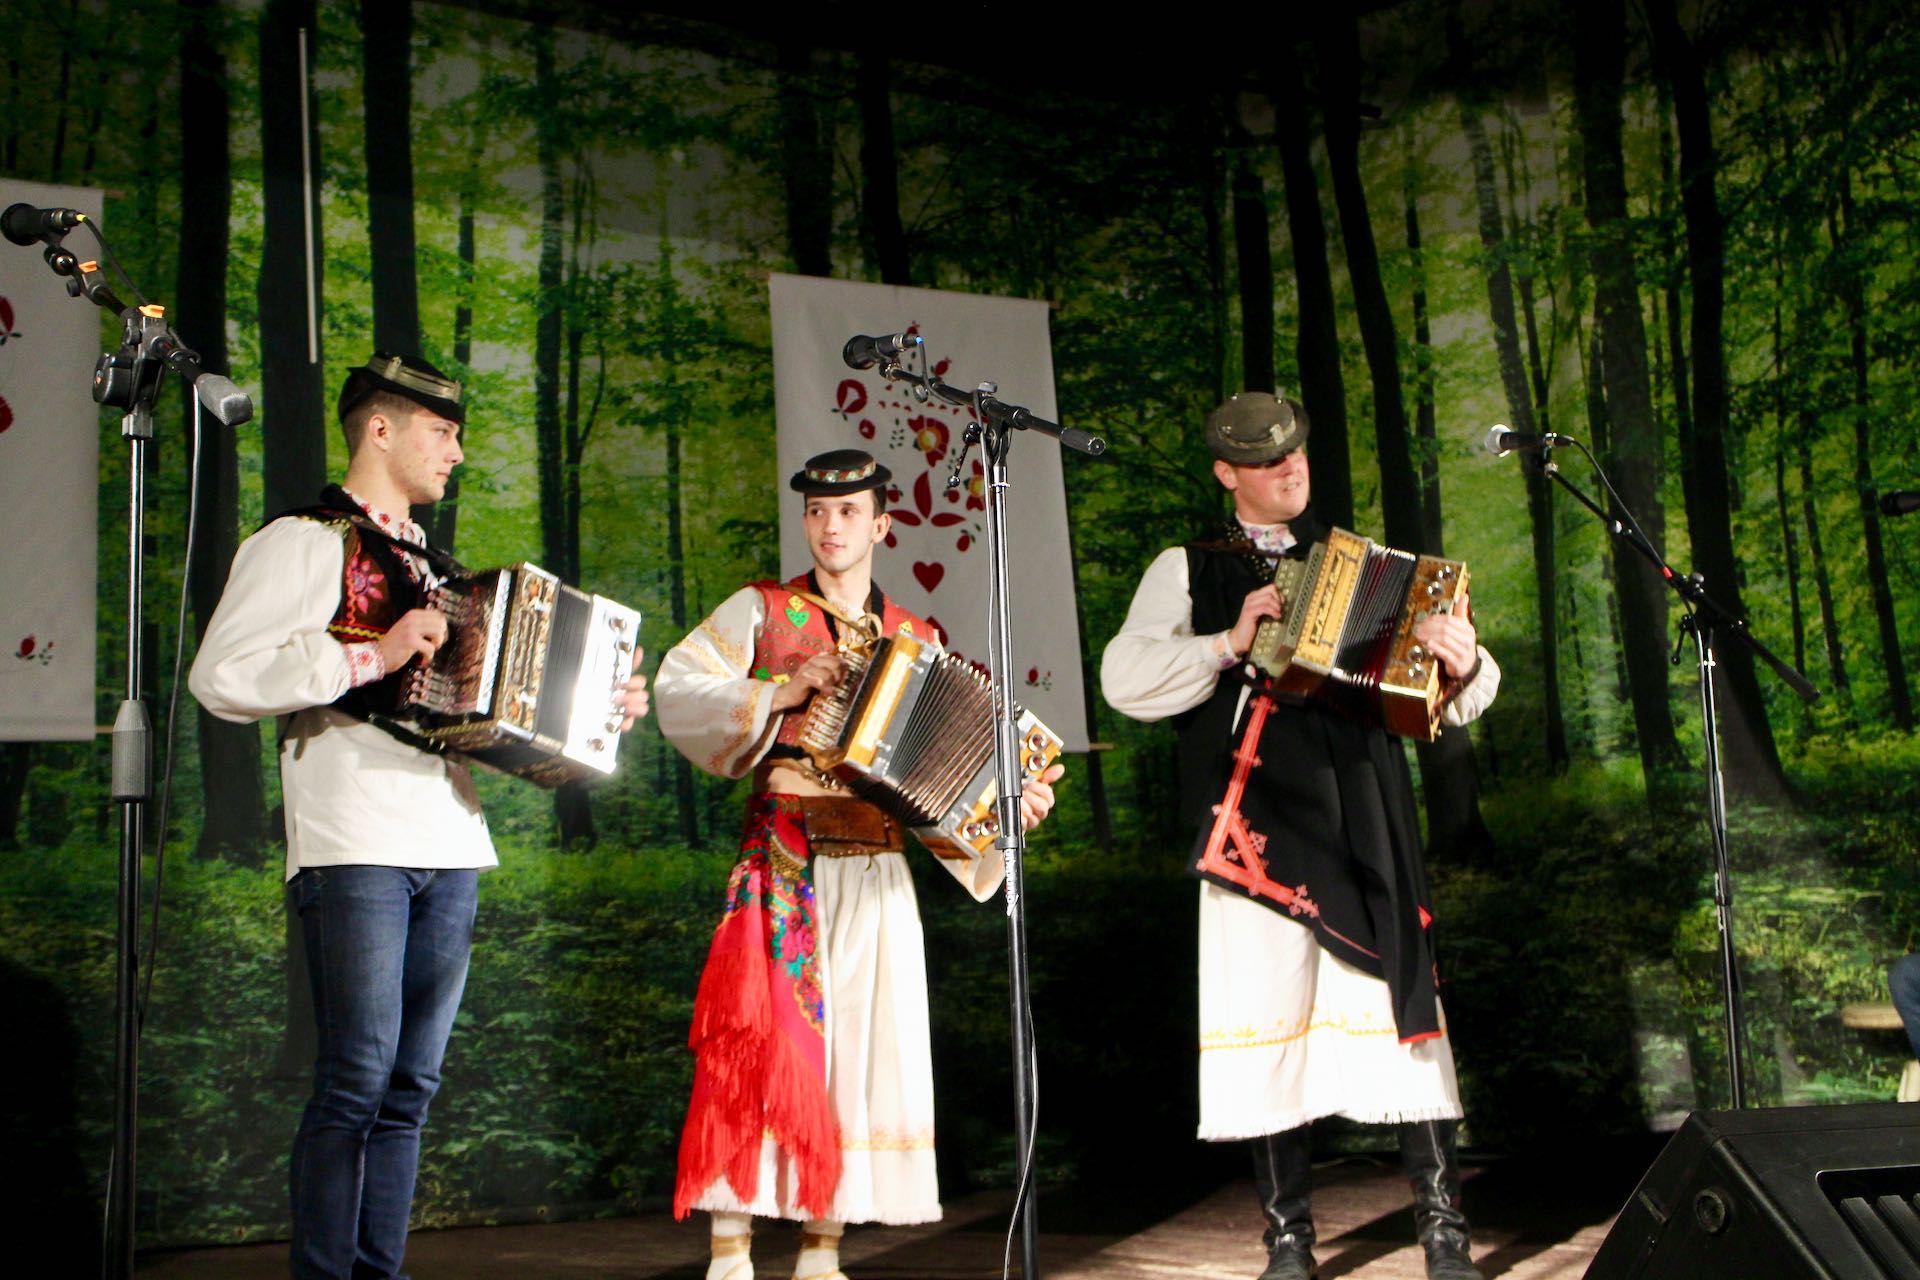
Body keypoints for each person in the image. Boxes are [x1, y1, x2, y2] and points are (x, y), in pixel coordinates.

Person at [189, 353, 649, 1280]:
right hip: (353, 835)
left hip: (450, 837)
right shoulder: (305, 540)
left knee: (410, 1087)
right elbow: (220, 677)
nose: (458, 452)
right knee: (355, 1080)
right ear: (380, 429)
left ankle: (380, 1271)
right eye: (442, 432)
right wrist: (373, 653)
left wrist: (597, 712)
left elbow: (494, 719)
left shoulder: (443, 573)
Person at [1100, 393, 1500, 1280]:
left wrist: (1465, 657)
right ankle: (1288, 1240)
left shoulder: (1362, 562)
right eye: (1267, 459)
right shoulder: (1188, 567)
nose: (1291, 468)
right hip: (1254, 825)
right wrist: (1224, 642)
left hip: (1363, 812)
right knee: (1265, 1014)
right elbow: (1123, 679)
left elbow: (1462, 688)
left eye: (1298, 453)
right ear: (1226, 473)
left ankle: (1443, 1230)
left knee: (1398, 1010)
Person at [654, 448, 1065, 1280]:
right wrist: (777, 691)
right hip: (787, 853)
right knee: (757, 1042)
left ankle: (822, 1251)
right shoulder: (764, 610)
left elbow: (947, 783)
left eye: (847, 512)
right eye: (816, 511)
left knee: (860, 1051)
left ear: (882, 525)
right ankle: (730, 1255)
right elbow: (678, 688)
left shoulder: (917, 638)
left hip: (876, 862)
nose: (829, 525)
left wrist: (1011, 807)